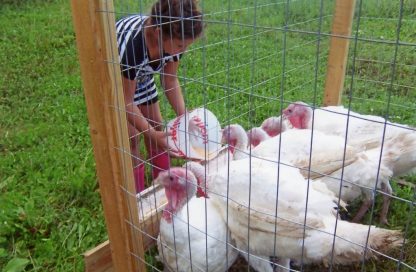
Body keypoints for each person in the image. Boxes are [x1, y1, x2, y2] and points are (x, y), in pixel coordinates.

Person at [116, 0, 204, 192]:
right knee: (131, 138)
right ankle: (138, 196)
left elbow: (170, 80)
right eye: (181, 45)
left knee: (157, 125)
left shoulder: (174, 37)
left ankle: (163, 187)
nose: (184, 51)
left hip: (142, 74)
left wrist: (185, 117)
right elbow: (126, 101)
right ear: (158, 33)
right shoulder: (133, 48)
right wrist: (152, 134)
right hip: (116, 78)